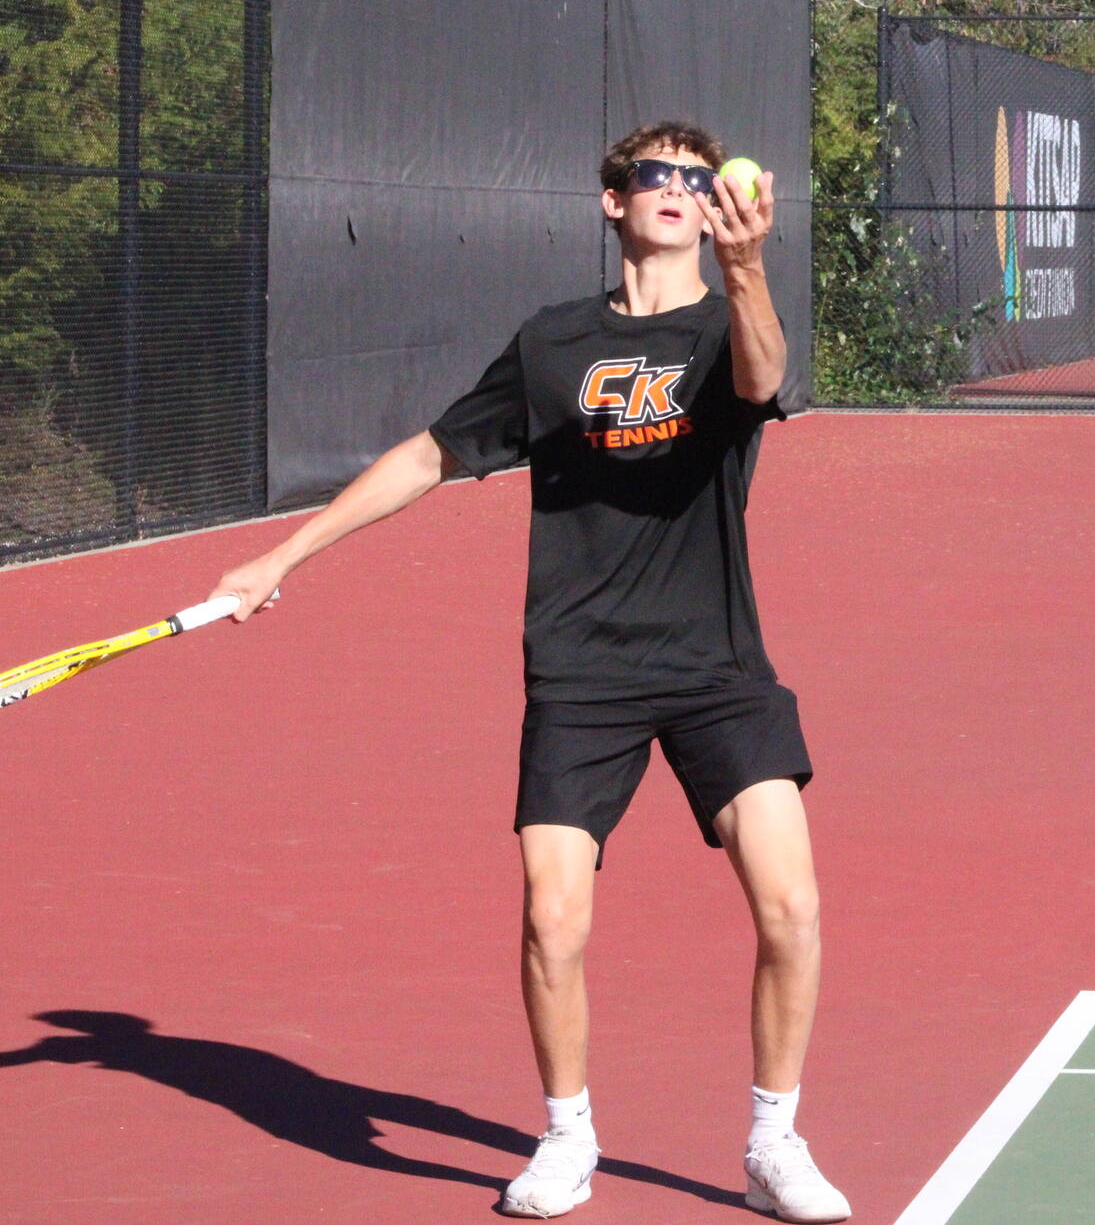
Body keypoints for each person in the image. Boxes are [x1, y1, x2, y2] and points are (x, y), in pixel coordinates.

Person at [210, 121, 851, 1221]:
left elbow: (765, 375)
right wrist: (282, 556)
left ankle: (772, 1139)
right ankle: (566, 1137)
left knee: (790, 906)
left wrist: (747, 269)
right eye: (655, 176)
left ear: (715, 209)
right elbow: (430, 454)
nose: (678, 192)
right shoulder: (552, 344)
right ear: (612, 200)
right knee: (551, 920)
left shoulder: (721, 326)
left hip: (714, 664)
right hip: (580, 669)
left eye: (698, 182)